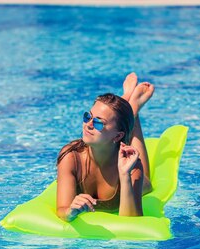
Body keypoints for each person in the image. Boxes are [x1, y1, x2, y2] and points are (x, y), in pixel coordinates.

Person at [56, 73, 155, 222]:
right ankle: (128, 103)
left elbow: (131, 224)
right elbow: (62, 209)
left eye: (98, 123)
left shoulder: (132, 166)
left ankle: (134, 109)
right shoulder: (71, 156)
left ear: (117, 136)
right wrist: (71, 211)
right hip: (116, 136)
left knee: (147, 183)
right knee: (123, 123)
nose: (88, 124)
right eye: (87, 117)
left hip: (122, 155)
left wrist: (124, 175)